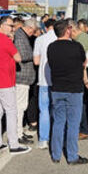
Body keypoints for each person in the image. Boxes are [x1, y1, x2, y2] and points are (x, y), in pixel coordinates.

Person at [46, 19, 88, 165]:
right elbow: (84, 62)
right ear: (67, 30)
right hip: (74, 89)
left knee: (58, 122)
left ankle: (56, 154)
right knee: (73, 124)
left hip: (57, 88)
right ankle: (72, 156)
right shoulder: (76, 46)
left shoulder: (51, 47)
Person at [0, 16, 31, 154]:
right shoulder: (5, 40)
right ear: (2, 25)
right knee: (11, 112)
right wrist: (11, 41)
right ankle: (14, 144)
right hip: (5, 81)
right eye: (11, 26)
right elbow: (18, 58)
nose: (13, 29)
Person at [31, 18, 57, 149]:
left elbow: (36, 61)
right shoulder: (62, 39)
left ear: (45, 28)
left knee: (44, 109)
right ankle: (56, 137)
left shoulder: (40, 40)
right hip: (58, 80)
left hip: (44, 79)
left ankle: (43, 139)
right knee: (57, 109)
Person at [13, 19, 38, 144]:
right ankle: (17, 134)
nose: (33, 34)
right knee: (20, 107)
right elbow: (21, 56)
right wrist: (35, 55)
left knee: (21, 106)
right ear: (29, 28)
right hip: (21, 76)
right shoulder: (20, 37)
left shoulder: (21, 36)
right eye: (33, 31)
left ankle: (19, 132)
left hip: (23, 76)